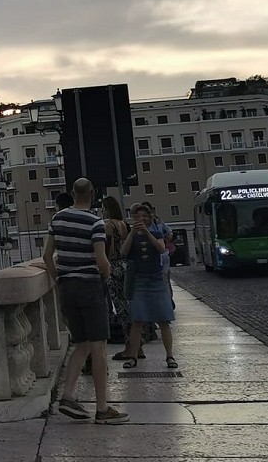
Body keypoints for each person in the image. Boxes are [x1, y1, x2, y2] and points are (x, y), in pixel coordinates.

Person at [43, 178, 130, 424]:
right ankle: (102, 409)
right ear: (92, 194)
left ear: (72, 193)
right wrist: (107, 274)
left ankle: (68, 396)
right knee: (99, 347)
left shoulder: (57, 219)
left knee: (80, 344)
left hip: (67, 288)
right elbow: (102, 260)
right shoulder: (95, 222)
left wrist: (58, 279)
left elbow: (47, 255)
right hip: (90, 287)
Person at [119, 204, 177, 370]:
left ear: (149, 217)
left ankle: (170, 356)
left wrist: (147, 232)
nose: (140, 219)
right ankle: (133, 356)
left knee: (164, 320)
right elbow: (123, 252)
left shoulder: (156, 232)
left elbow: (160, 248)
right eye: (137, 217)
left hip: (156, 279)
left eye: (144, 216)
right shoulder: (131, 235)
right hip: (139, 280)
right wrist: (132, 233)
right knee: (137, 320)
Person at [100, 196, 129, 344]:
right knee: (126, 304)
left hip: (114, 267)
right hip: (124, 265)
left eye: (104, 208)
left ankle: (129, 342)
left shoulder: (109, 226)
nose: (102, 211)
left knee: (118, 304)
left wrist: (105, 264)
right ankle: (136, 342)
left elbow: (109, 250)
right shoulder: (123, 224)